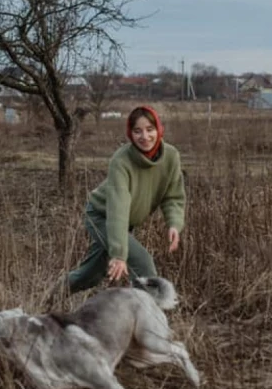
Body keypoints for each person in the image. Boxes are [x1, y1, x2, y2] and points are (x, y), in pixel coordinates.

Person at [63, 105, 185, 295]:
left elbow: (173, 196)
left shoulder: (171, 156)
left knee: (90, 275)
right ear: (130, 133)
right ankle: (150, 320)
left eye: (150, 129)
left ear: (159, 130)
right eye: (137, 131)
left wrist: (174, 224)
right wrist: (119, 254)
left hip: (122, 223)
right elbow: (118, 208)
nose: (144, 136)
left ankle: (50, 297)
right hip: (101, 217)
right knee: (143, 263)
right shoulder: (121, 161)